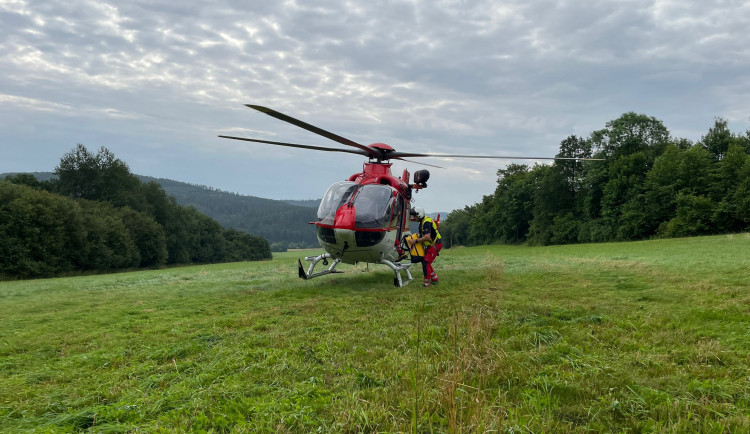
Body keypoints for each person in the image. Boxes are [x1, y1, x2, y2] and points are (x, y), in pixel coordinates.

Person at [407, 207, 442, 287]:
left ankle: (426, 284)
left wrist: (415, 241)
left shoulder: (426, 223)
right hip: (432, 245)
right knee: (425, 262)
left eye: (415, 216)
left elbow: (427, 237)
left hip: (435, 245)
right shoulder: (423, 222)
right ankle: (435, 279)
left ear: (419, 215)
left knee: (426, 263)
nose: (413, 218)